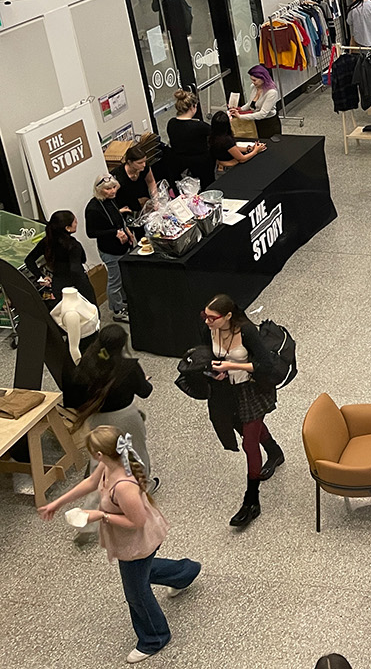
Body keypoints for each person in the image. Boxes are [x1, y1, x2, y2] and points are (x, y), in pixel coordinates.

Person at [38, 425, 201, 664]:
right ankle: (185, 572)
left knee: (136, 592)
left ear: (100, 454)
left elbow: (137, 521)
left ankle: (155, 637)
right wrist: (58, 502)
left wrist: (99, 516)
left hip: (136, 539)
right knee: (143, 572)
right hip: (135, 539)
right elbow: (92, 482)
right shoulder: (111, 463)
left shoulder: (124, 486)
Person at [201, 294, 285, 527]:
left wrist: (232, 366)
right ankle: (275, 451)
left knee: (249, 442)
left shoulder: (246, 332)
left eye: (212, 318)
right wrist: (216, 370)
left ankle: (251, 500)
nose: (207, 322)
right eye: (204, 316)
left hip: (251, 391)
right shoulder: (209, 330)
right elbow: (209, 354)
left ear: (228, 316)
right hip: (226, 392)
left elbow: (264, 365)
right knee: (248, 429)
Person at [64, 326, 154, 473]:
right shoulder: (129, 367)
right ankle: (142, 485)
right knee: (137, 451)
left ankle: (105, 486)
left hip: (95, 418)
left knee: (101, 453)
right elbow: (145, 392)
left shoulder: (86, 363)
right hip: (125, 416)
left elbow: (74, 396)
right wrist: (142, 380)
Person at [85, 174, 134, 321]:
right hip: (110, 251)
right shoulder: (92, 208)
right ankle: (117, 311)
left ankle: (125, 302)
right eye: (108, 189)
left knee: (124, 277)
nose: (112, 191)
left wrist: (127, 231)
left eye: (114, 187)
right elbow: (91, 233)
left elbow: (113, 219)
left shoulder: (110, 200)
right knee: (115, 281)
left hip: (123, 246)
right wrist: (115, 232)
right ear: (99, 189)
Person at [25, 209, 96, 304]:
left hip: (59, 286)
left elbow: (29, 260)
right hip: (78, 286)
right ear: (67, 228)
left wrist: (41, 277)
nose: (77, 223)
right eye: (74, 221)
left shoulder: (47, 241)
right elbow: (78, 266)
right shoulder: (73, 245)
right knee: (90, 314)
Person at [166, 90, 213, 186]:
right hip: (201, 165)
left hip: (179, 164)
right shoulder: (200, 126)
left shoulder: (171, 123)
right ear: (192, 107)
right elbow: (214, 133)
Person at [209, 111, 266, 178]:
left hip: (220, 168)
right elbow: (242, 159)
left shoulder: (214, 136)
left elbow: (231, 149)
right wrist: (256, 151)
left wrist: (248, 149)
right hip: (228, 170)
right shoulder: (226, 140)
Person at [113, 146, 157, 213]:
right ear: (129, 162)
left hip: (145, 202)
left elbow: (151, 182)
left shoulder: (144, 168)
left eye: (145, 161)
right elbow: (114, 197)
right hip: (127, 207)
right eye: (140, 163)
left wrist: (155, 199)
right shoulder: (118, 176)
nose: (144, 165)